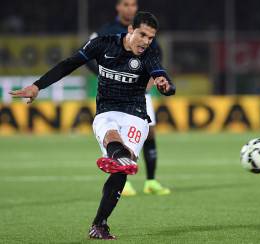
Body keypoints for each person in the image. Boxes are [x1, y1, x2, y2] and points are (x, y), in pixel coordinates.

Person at [10, 12, 175, 240]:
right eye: (143, 35)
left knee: (120, 173)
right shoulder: (103, 44)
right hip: (107, 112)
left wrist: (165, 85)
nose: (146, 41)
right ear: (130, 30)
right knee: (114, 142)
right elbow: (69, 64)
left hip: (136, 115)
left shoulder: (149, 54)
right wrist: (38, 86)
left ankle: (99, 224)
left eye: (151, 37)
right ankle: (118, 156)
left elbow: (163, 78)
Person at [87, 0, 170, 196]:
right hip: (114, 94)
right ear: (117, 7)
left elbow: (156, 55)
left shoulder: (145, 29)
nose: (130, 8)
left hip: (139, 92)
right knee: (118, 135)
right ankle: (123, 179)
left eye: (133, 4)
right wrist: (105, 73)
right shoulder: (106, 30)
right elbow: (87, 55)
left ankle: (151, 181)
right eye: (125, 4)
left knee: (149, 133)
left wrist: (152, 79)